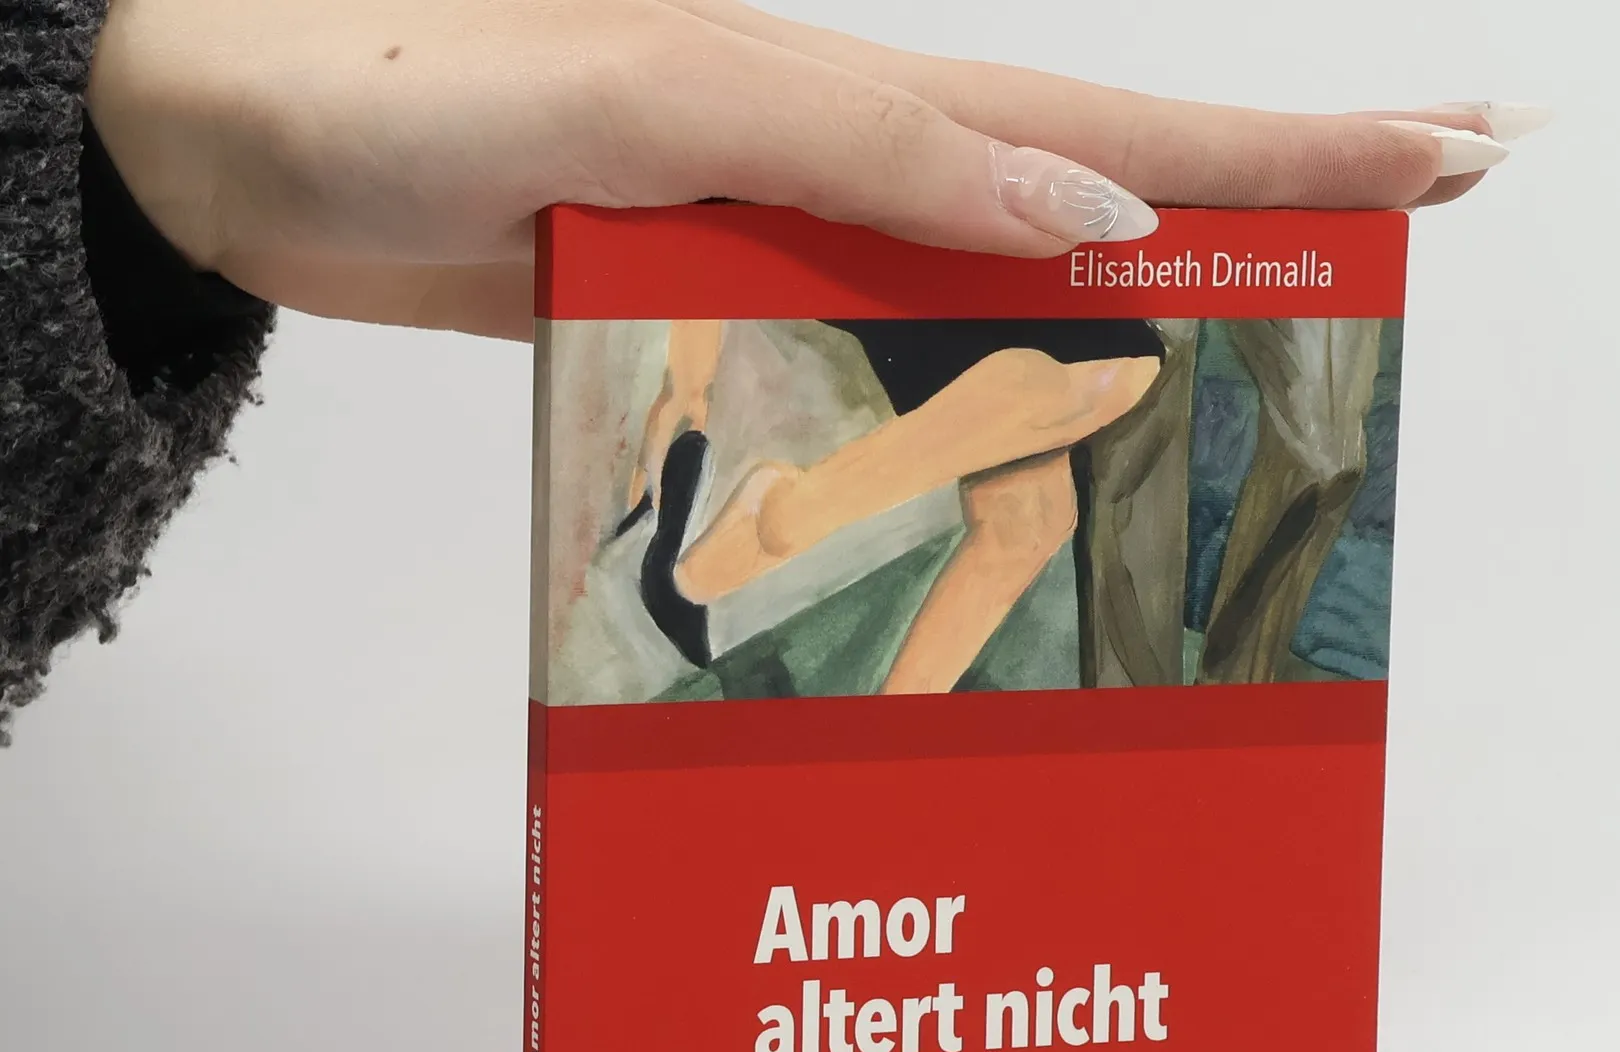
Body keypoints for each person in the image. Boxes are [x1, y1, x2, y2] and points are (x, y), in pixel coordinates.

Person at [0, 0, 1542, 741]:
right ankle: (780, 521)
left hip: (834, 251)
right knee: (1103, 382)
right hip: (867, 265)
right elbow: (659, 143)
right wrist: (147, 168)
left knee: (1032, 517)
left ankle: (888, 751)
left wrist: (144, 178)